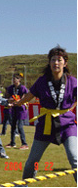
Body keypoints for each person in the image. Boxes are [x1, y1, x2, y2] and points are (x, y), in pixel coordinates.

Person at [14, 46, 77, 182]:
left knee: (75, 158)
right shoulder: (42, 81)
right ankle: (23, 184)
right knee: (33, 161)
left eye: (59, 60)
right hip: (46, 125)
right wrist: (18, 103)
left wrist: (73, 107)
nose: (56, 63)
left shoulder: (73, 82)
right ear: (49, 62)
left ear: (65, 63)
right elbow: (29, 95)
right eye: (53, 60)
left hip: (68, 125)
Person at [5, 73, 29, 150]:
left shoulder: (22, 88)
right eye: (13, 79)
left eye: (16, 79)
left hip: (21, 109)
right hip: (14, 108)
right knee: (13, 126)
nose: (14, 80)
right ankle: (12, 143)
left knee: (20, 126)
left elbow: (25, 97)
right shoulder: (11, 88)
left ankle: (24, 143)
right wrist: (9, 100)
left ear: (19, 80)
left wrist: (19, 101)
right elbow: (8, 96)